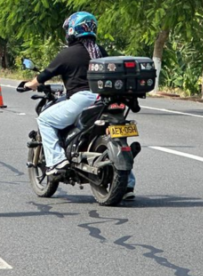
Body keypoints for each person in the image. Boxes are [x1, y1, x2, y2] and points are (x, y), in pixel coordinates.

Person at [24, 12, 136, 200]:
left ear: (72, 30)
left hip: (82, 100)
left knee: (44, 120)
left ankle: (57, 161)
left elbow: (44, 76)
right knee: (115, 137)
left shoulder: (68, 53)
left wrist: (29, 84)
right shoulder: (100, 52)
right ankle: (128, 184)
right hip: (106, 99)